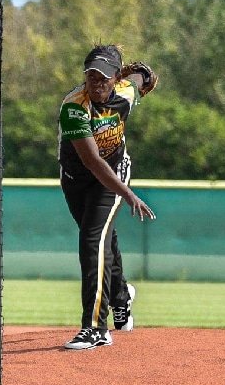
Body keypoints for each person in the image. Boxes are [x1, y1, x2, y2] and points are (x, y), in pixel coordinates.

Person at [57, 43, 158, 350]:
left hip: (114, 174)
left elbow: (146, 75)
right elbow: (91, 161)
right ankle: (121, 296)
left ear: (114, 78)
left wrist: (132, 72)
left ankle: (95, 328)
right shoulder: (75, 106)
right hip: (78, 178)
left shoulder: (125, 91)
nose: (97, 83)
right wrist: (130, 196)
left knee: (92, 240)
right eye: (91, 76)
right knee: (103, 240)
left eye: (103, 77)